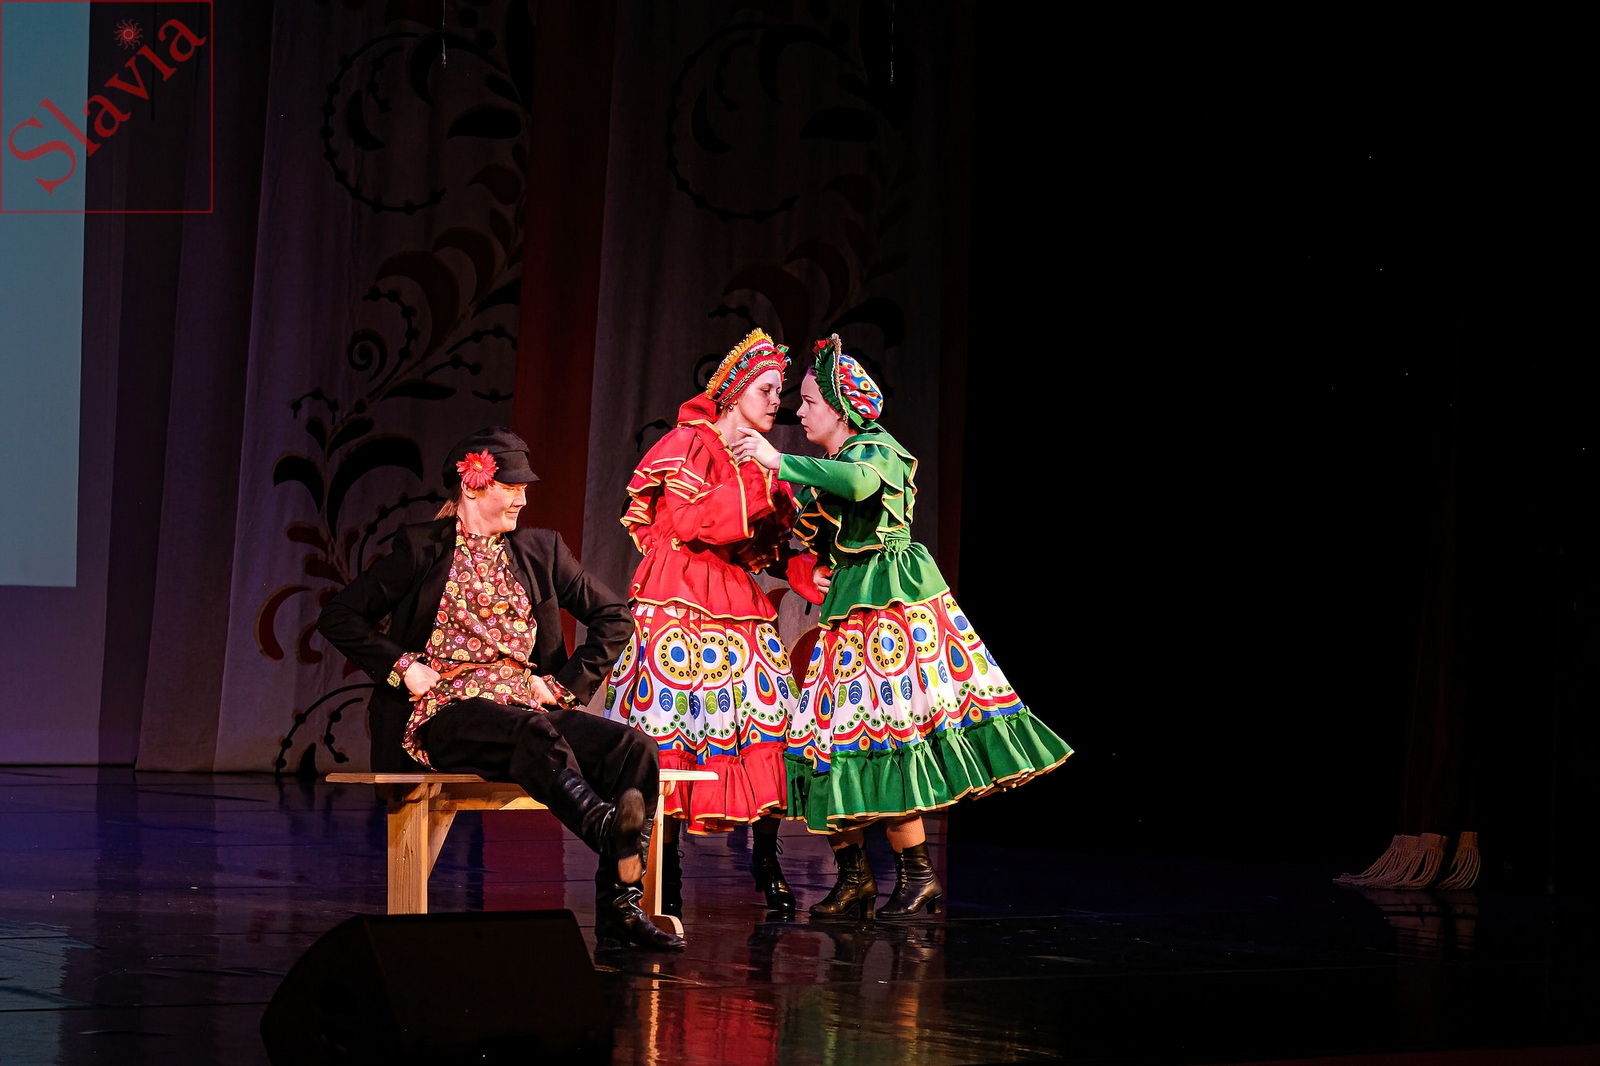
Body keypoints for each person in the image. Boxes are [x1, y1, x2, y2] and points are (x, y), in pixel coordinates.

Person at [732, 336, 1073, 920]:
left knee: (885, 735)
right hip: (848, 605)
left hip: (889, 604)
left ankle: (917, 876)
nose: (800, 412)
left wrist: (777, 459)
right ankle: (855, 876)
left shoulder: (877, 450)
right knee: (827, 739)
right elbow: (821, 529)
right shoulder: (829, 470)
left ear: (841, 408)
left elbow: (860, 485)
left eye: (810, 401)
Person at [318, 427, 684, 951]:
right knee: (530, 732)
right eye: (511, 488)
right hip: (445, 711)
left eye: (524, 489)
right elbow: (340, 616)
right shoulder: (421, 548)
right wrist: (401, 667)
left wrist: (562, 686)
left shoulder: (540, 550)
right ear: (472, 486)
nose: (523, 499)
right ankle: (605, 829)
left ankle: (620, 910)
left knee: (634, 748)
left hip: (524, 706)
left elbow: (614, 617)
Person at [603, 329, 820, 915]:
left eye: (780, 392)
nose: (776, 402)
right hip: (677, 591)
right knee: (672, 729)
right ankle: (666, 865)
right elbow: (691, 523)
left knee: (767, 717)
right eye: (766, 389)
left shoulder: (762, 459)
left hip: (733, 593)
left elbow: (769, 544)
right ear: (734, 390)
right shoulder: (688, 444)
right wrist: (753, 478)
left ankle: (766, 854)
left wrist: (804, 573)